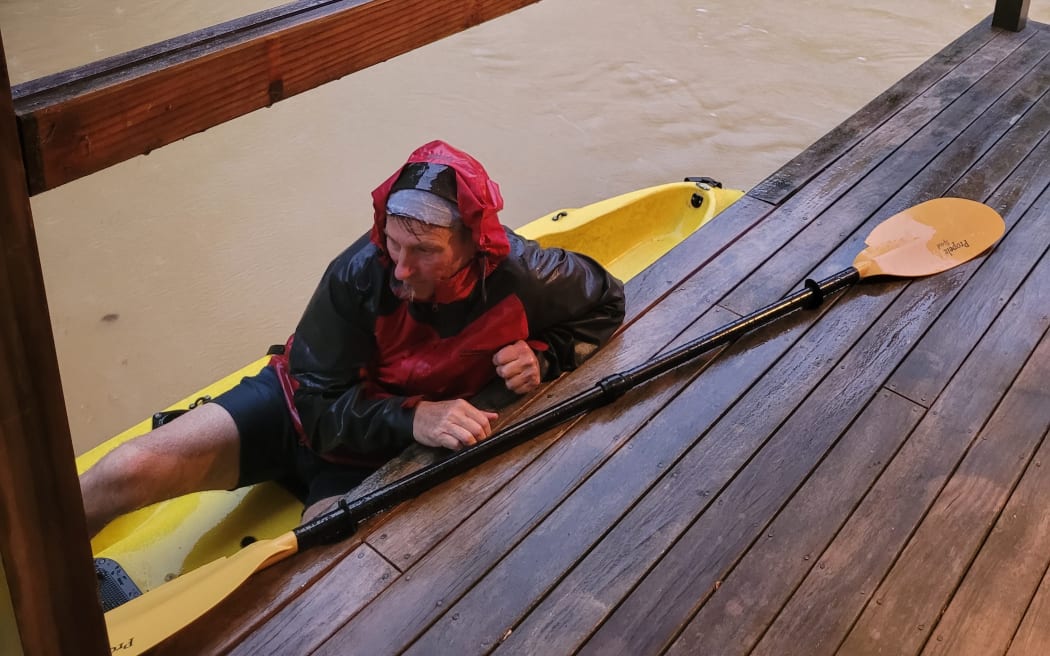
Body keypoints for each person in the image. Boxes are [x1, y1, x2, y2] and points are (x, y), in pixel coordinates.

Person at [80, 140, 626, 537]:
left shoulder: (526, 275)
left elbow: (608, 299)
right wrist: (416, 415)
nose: (402, 270)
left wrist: (545, 356)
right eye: (392, 244)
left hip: (376, 461)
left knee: (322, 575)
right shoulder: (357, 273)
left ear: (472, 244)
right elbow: (316, 407)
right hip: (296, 413)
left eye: (425, 252)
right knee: (125, 471)